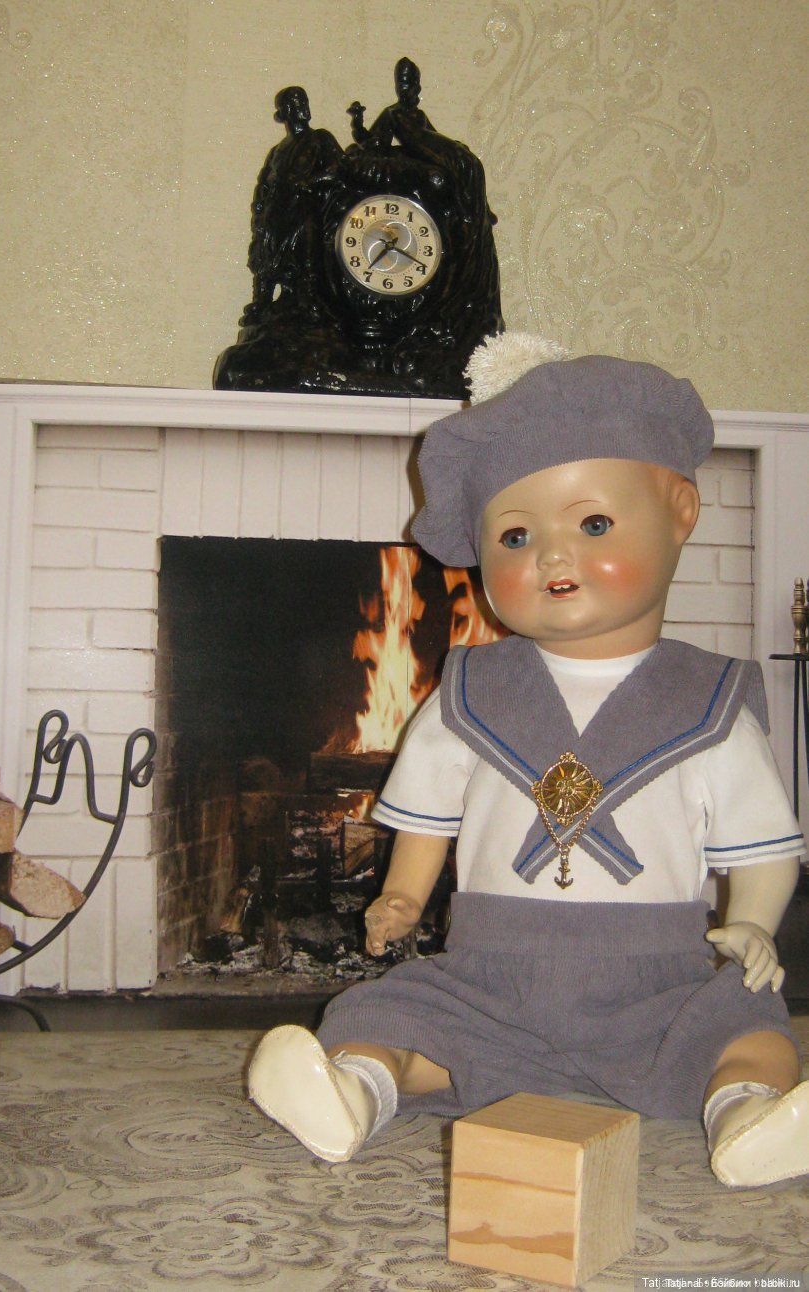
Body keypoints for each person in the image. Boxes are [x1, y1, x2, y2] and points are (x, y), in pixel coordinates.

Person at [248, 334, 808, 1188]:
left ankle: (747, 1115)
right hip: (489, 977)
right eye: (514, 535)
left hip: (657, 982)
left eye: (593, 523)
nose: (550, 554)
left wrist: (756, 922)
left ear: (680, 511)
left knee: (748, 1025)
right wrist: (403, 895)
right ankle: (355, 1092)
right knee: (393, 1015)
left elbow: (760, 846)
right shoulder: (468, 691)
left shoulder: (711, 702)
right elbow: (430, 816)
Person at [245, 86, 342, 320]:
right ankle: (262, 301)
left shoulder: (319, 139)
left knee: (307, 254)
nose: (303, 107)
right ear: (286, 111)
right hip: (276, 212)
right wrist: (260, 207)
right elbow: (265, 183)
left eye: (304, 101)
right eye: (297, 103)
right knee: (267, 257)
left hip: (304, 208)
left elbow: (339, 168)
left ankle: (309, 301)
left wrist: (311, 181)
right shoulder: (277, 150)